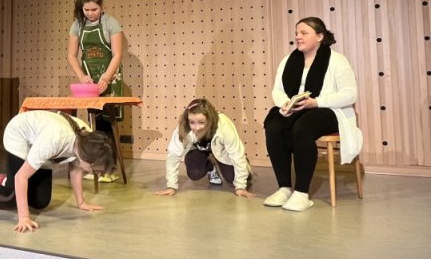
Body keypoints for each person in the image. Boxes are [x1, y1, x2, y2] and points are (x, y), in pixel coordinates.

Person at [0, 110, 115, 232]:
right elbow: (21, 178)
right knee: (10, 196)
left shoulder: (87, 139)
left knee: (40, 202)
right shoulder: (55, 140)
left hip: (39, 143)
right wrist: (24, 217)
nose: (95, 173)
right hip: (20, 135)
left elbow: (76, 168)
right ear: (86, 158)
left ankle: (1, 183)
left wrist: (81, 202)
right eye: (95, 170)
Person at [263, 17, 362, 211]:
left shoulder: (337, 60)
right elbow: (278, 90)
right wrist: (285, 104)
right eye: (296, 33)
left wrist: (316, 102)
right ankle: (284, 188)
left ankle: (302, 193)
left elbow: (350, 94)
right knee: (273, 123)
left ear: (319, 36)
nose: (298, 37)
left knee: (303, 127)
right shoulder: (288, 60)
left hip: (329, 110)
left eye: (304, 33)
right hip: (297, 109)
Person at [67, 0, 123, 182]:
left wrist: (106, 77)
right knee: (94, 122)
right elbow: (72, 55)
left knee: (108, 122)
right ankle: (96, 168)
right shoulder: (77, 25)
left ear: (101, 6)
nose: (90, 13)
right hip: (90, 77)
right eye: (86, 10)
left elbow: (117, 54)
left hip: (110, 76)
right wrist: (82, 77)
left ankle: (110, 169)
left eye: (94, 9)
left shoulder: (111, 23)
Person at [154, 98, 256, 198]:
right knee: (195, 173)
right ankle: (211, 167)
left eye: (201, 122)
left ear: (209, 119)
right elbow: (173, 156)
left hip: (222, 153)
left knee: (232, 178)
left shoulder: (224, 126)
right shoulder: (184, 127)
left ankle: (245, 166)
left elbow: (237, 155)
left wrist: (240, 187)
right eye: (192, 122)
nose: (196, 127)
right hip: (199, 151)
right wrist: (171, 186)